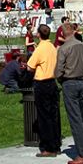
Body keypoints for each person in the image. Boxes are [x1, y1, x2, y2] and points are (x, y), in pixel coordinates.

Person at [55, 23, 83, 164]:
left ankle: (82, 155)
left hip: (69, 82)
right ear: (74, 32)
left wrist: (61, 79)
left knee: (75, 119)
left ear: (63, 34)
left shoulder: (64, 48)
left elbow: (58, 71)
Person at [27, 23, 61, 157]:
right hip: (52, 82)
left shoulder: (40, 48)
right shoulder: (52, 47)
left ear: (38, 34)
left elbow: (30, 67)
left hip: (42, 83)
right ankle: (56, 144)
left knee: (44, 117)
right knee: (54, 115)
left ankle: (48, 147)